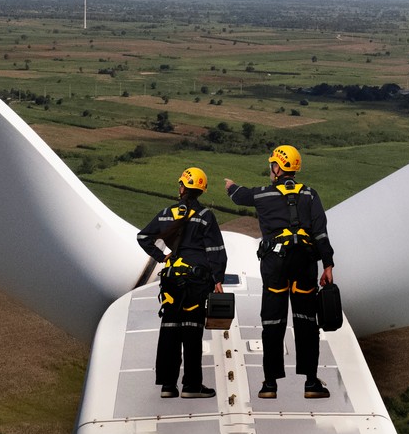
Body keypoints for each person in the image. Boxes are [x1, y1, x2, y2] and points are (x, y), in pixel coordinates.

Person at [226, 144, 334, 399]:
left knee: (272, 322)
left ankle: (269, 384)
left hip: (275, 265)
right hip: (305, 264)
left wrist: (229, 185)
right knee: (307, 323)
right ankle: (310, 384)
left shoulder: (263, 195)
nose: (271, 169)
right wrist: (327, 265)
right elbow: (320, 233)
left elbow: (239, 195)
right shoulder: (310, 195)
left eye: (273, 164)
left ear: (278, 167)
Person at [137, 166, 225, 399]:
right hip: (196, 281)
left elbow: (143, 237)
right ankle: (191, 386)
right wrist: (218, 279)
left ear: (184, 187)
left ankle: (168, 385)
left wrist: (162, 257)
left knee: (170, 330)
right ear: (201, 190)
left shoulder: (167, 213)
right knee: (192, 332)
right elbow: (216, 250)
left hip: (172, 280)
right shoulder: (206, 216)